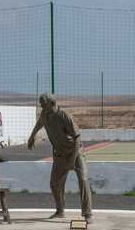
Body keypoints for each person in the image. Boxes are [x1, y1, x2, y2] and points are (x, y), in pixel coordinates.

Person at [27, 93, 92, 222]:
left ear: (52, 104)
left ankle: (87, 213)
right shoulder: (45, 114)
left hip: (75, 152)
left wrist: (72, 161)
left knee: (83, 179)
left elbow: (77, 139)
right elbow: (40, 123)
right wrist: (32, 136)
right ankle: (60, 210)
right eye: (41, 105)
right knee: (55, 183)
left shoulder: (64, 116)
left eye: (44, 105)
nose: (42, 107)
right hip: (59, 154)